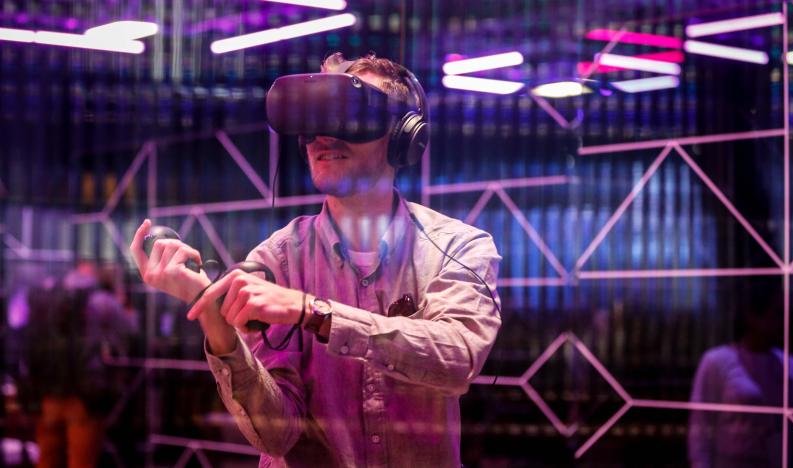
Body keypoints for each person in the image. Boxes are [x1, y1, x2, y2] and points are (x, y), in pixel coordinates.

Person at [129, 52, 502, 466]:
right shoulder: (278, 261)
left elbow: (458, 360)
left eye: (349, 115)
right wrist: (214, 317)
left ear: (403, 135)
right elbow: (277, 434)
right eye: (315, 116)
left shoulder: (459, 247)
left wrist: (315, 313)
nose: (323, 135)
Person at [21, 262, 137, 468]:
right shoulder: (101, 299)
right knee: (82, 462)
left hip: (48, 393)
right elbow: (130, 330)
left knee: (47, 459)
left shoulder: (48, 295)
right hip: (84, 395)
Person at [688, 287, 793, 468]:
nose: (785, 322)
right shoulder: (717, 362)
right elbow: (699, 427)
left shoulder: (790, 365)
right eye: (778, 314)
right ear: (753, 317)